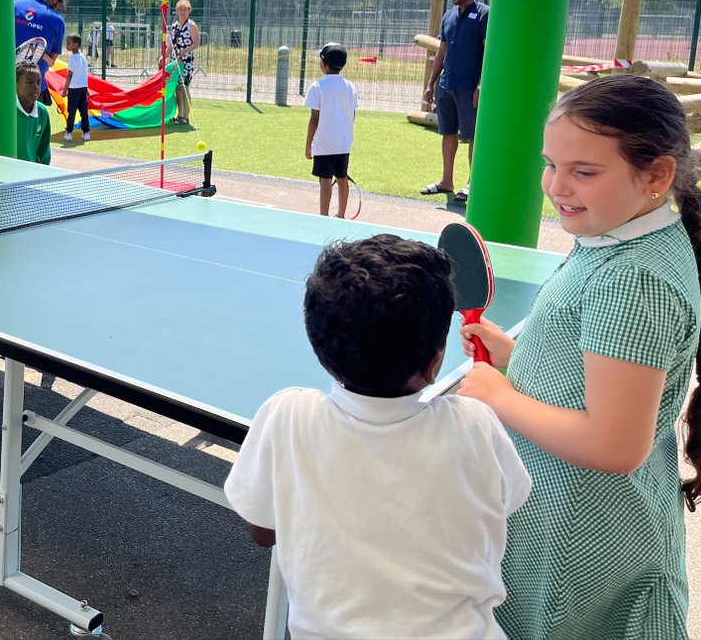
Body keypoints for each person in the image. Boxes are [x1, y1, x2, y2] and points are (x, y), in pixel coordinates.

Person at [458, 75, 701, 639]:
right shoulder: (623, 238)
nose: (557, 186)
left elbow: (614, 445)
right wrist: (520, 357)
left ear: (655, 176)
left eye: (585, 172)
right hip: (585, 521)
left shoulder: (631, 279)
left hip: (579, 542)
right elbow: (600, 370)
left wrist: (499, 396)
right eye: (551, 164)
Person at [225, 235, 531, 639]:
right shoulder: (475, 423)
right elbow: (503, 505)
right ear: (436, 361)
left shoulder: (287, 415)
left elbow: (263, 530)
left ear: (320, 349)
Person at [421, 0, 488, 203]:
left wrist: (481, 85)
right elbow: (441, 52)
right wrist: (431, 84)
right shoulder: (448, 16)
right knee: (447, 132)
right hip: (446, 86)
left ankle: (472, 184)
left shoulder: (484, 15)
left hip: (469, 88)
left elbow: (489, 54)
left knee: (472, 136)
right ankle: (446, 181)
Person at [304, 43, 359, 218]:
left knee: (325, 180)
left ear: (324, 64)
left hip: (323, 143)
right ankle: (341, 215)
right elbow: (352, 114)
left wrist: (308, 145)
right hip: (343, 142)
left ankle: (323, 216)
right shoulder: (350, 86)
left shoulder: (317, 87)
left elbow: (314, 119)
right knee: (342, 178)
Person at [14, 0, 66, 106]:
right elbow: (52, 61)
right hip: (34, 87)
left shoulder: (13, 5)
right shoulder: (57, 21)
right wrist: (38, 51)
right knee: (33, 125)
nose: (58, 7)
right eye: (59, 3)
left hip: (6, 80)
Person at [167, 0, 199, 126]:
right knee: (177, 88)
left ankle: (185, 117)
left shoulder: (191, 26)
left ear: (189, 11)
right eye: (181, 9)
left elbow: (196, 43)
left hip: (186, 62)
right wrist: (163, 56)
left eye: (185, 9)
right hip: (175, 62)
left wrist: (185, 50)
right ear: (177, 11)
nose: (183, 12)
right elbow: (170, 44)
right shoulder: (174, 26)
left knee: (184, 88)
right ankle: (179, 115)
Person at [16, 61, 51, 165]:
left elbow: (44, 151)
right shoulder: (7, 111)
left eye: (38, 82)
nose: (35, 87)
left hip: (32, 175)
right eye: (29, 82)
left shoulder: (42, 112)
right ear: (16, 84)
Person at [62, 33, 90, 142]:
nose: (67, 45)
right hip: (83, 88)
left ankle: (69, 132)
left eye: (69, 43)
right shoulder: (83, 57)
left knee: (72, 111)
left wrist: (65, 90)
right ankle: (86, 132)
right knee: (84, 111)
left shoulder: (73, 59)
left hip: (74, 89)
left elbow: (69, 75)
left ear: (76, 44)